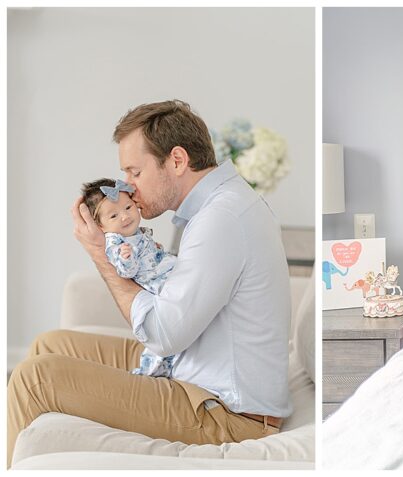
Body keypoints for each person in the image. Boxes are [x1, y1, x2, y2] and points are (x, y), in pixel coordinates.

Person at [7, 100, 292, 467]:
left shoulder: (220, 219)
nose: (126, 185)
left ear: (177, 160)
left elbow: (162, 334)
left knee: (34, 379)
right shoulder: (222, 204)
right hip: (191, 364)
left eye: (135, 171)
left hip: (227, 413)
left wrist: (100, 254)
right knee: (50, 344)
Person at [80, 178, 177, 376]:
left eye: (128, 207)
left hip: (165, 273)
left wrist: (156, 250)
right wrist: (126, 258)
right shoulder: (115, 242)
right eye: (113, 215)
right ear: (100, 226)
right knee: (165, 335)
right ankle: (152, 371)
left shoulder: (133, 233)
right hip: (155, 286)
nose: (124, 217)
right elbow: (126, 273)